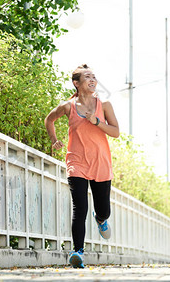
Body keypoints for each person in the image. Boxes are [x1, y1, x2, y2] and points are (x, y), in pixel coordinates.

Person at [44, 64, 120, 268]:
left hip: (101, 162)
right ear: (77, 83)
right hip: (76, 161)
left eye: (94, 76)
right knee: (80, 207)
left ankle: (101, 219)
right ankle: (77, 252)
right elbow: (49, 120)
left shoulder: (104, 106)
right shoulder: (67, 106)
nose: (92, 79)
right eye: (87, 77)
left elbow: (115, 132)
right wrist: (54, 139)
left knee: (102, 209)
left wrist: (96, 122)